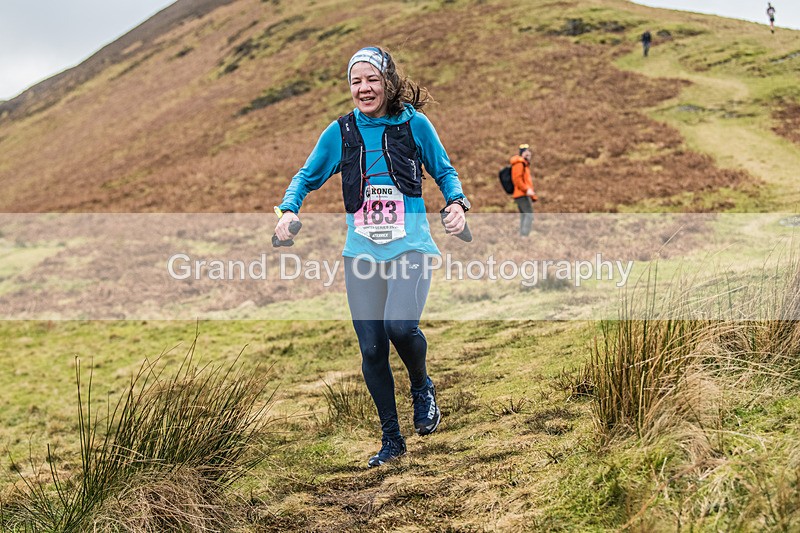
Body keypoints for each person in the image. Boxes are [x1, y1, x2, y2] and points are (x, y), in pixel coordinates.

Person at [274, 46, 470, 467]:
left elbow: (444, 170)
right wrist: (289, 210)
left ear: (388, 82)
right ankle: (392, 441)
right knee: (372, 350)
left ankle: (421, 386)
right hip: (361, 253)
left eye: (372, 79)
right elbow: (305, 177)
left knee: (400, 326)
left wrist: (456, 203)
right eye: (355, 81)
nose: (363, 88)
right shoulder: (341, 132)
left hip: (410, 246)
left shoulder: (414, 124)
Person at [510, 144, 537, 237]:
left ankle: (522, 235)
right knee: (529, 215)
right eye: (526, 152)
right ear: (522, 153)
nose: (528, 153)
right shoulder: (519, 164)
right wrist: (526, 190)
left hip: (522, 194)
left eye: (529, 151)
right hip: (522, 194)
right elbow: (517, 180)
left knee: (524, 215)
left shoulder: (524, 164)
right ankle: (524, 236)